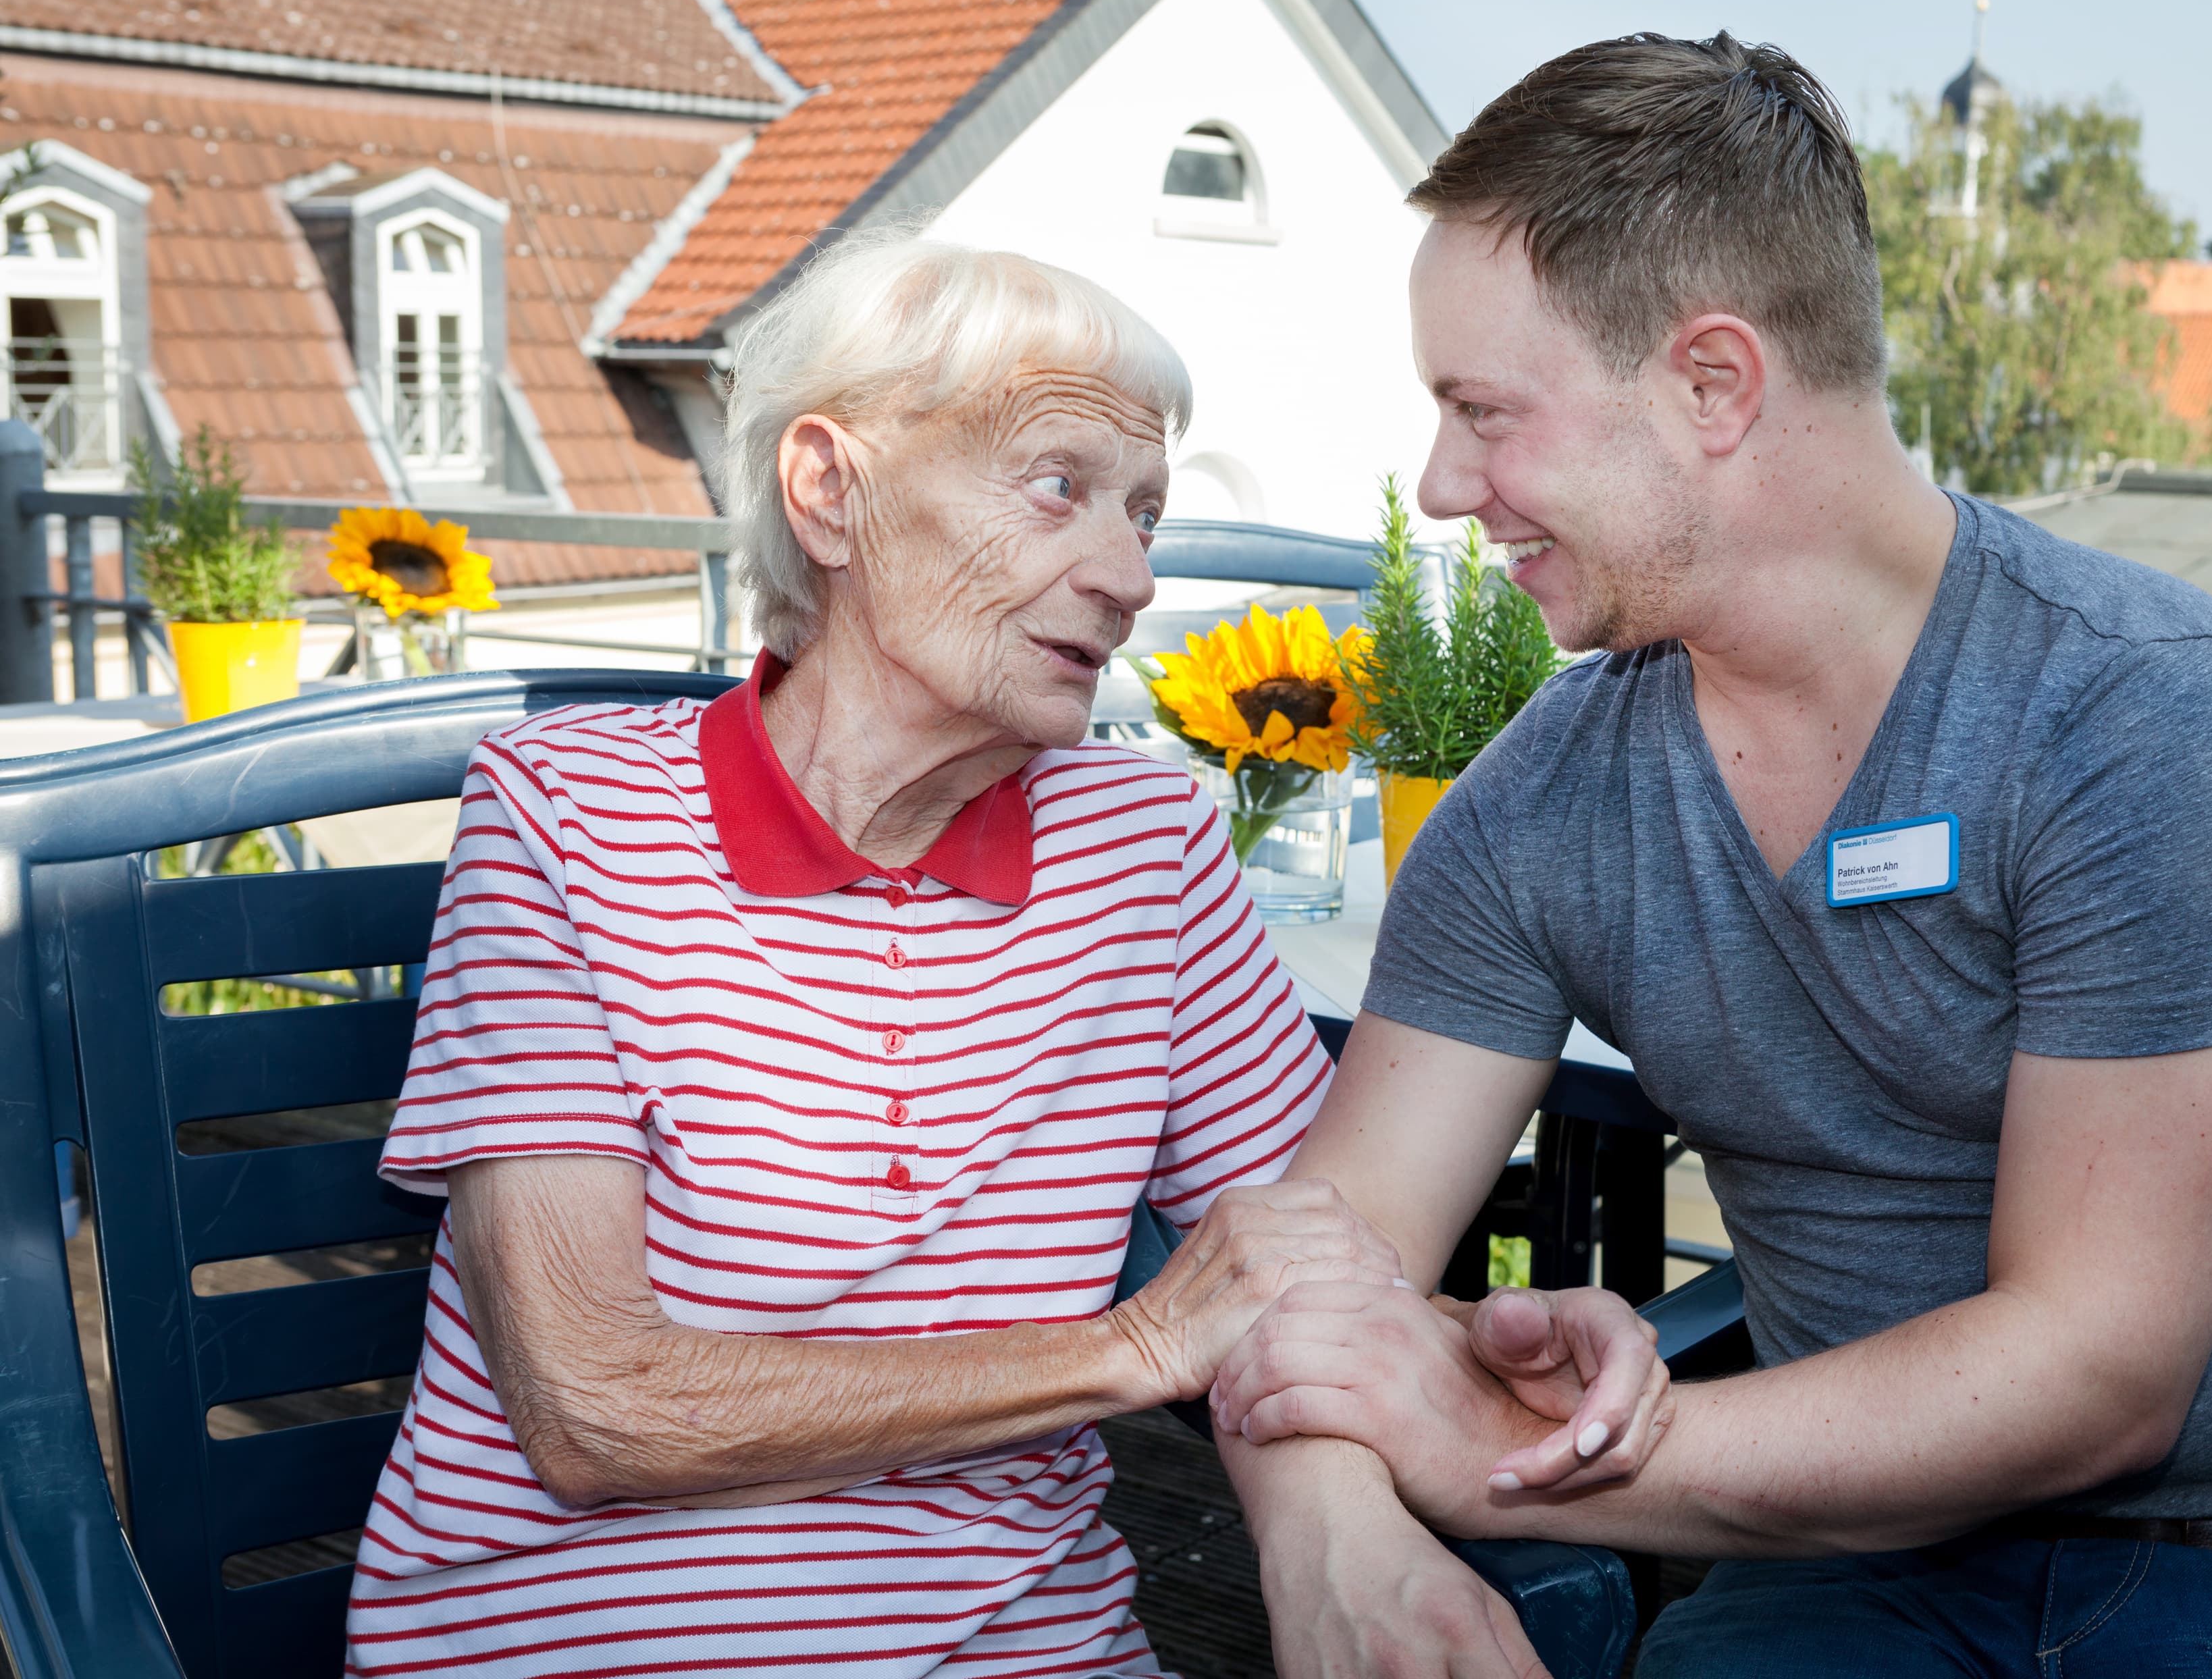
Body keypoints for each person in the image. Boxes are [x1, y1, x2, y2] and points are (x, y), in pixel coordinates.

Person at [1207, 34, 2212, 1679]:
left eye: (1486, 414)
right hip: (1864, 1581)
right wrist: (1330, 1535)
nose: (1442, 484)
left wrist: (1548, 1459)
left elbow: (2097, 1379)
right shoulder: (1543, 803)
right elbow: (1308, 1272)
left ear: (1715, 384)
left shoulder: (2145, 722)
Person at [340, 235, 1647, 1679]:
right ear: (832, 489)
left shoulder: (1144, 839)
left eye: (1145, 512)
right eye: (1057, 487)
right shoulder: (567, 814)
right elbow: (591, 1406)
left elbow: (1298, 1281)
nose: (1131, 575)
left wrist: (1517, 1371)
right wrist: (1134, 1347)